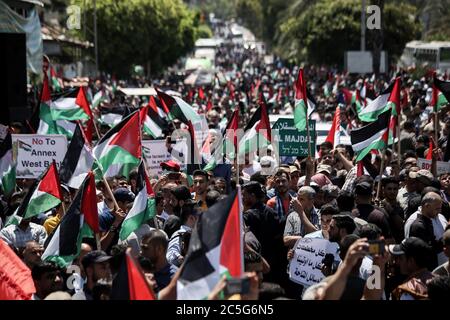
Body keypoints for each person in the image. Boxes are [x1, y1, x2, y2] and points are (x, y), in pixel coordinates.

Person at [406, 191, 448, 267]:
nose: (440, 211)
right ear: (427, 206)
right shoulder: (419, 226)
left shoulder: (428, 221)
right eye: (437, 209)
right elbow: (427, 251)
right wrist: (446, 237)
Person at [166, 203, 200, 267]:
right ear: (191, 218)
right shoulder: (179, 235)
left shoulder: (198, 233)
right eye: (199, 215)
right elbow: (170, 257)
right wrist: (180, 259)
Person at [379, 177, 404, 243]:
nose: (392, 192)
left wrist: (391, 210)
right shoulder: (379, 206)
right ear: (383, 190)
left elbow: (401, 226)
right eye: (389, 189)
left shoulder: (401, 208)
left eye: (395, 189)